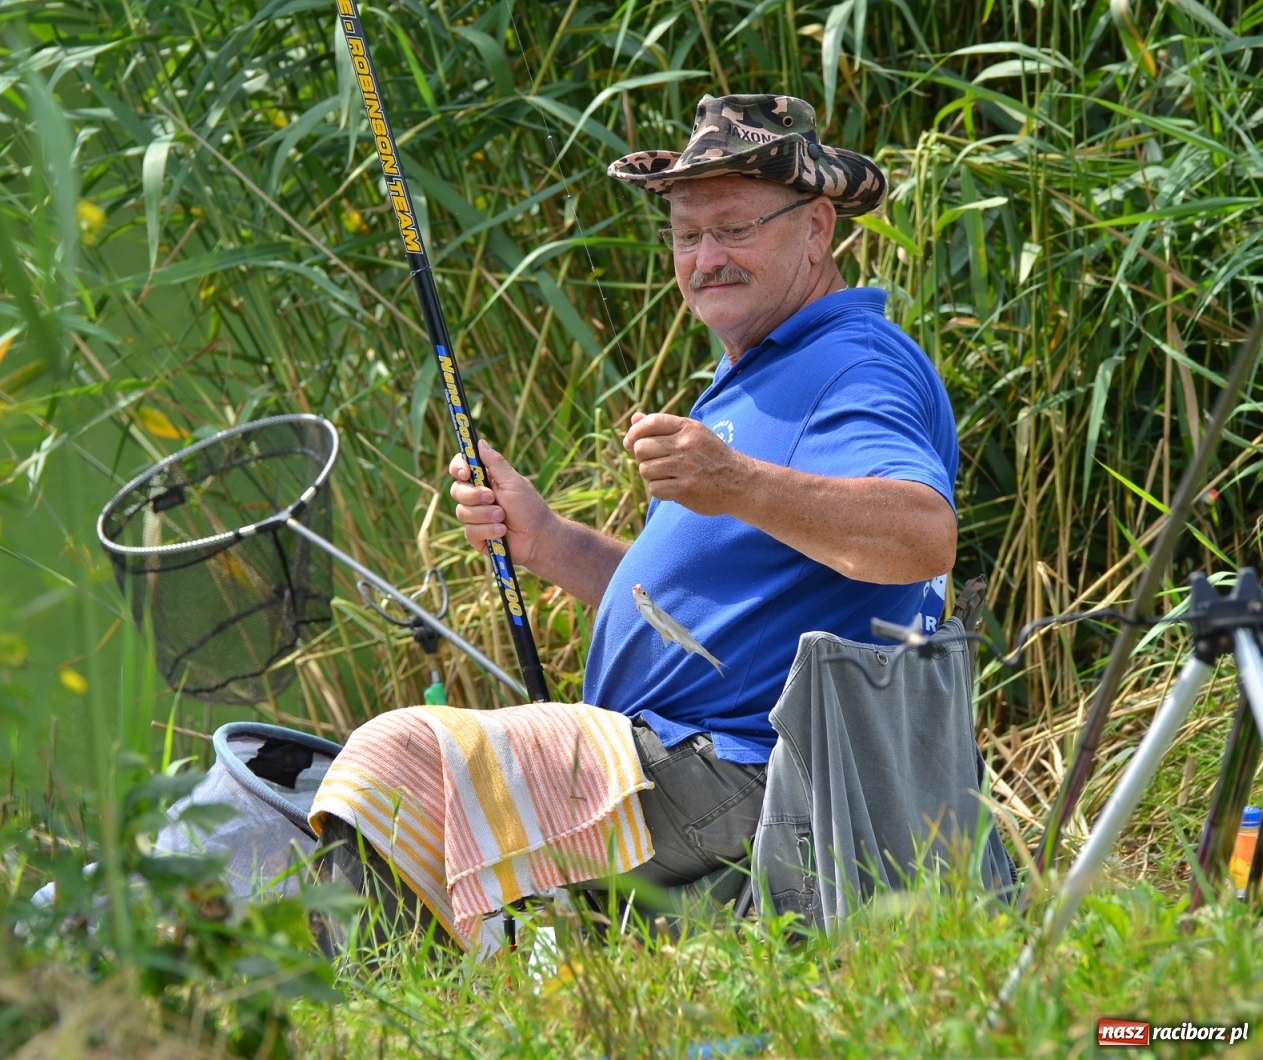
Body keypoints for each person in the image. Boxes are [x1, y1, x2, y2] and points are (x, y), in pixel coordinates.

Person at [314, 93, 959, 939]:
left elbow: (921, 536)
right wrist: (549, 541)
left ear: (816, 228)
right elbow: (704, 607)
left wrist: (735, 482)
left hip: (748, 771)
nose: (707, 259)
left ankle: (359, 1002)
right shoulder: (759, 368)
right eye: (687, 237)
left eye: (734, 229)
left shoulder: (850, 363)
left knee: (400, 759)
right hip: (684, 763)